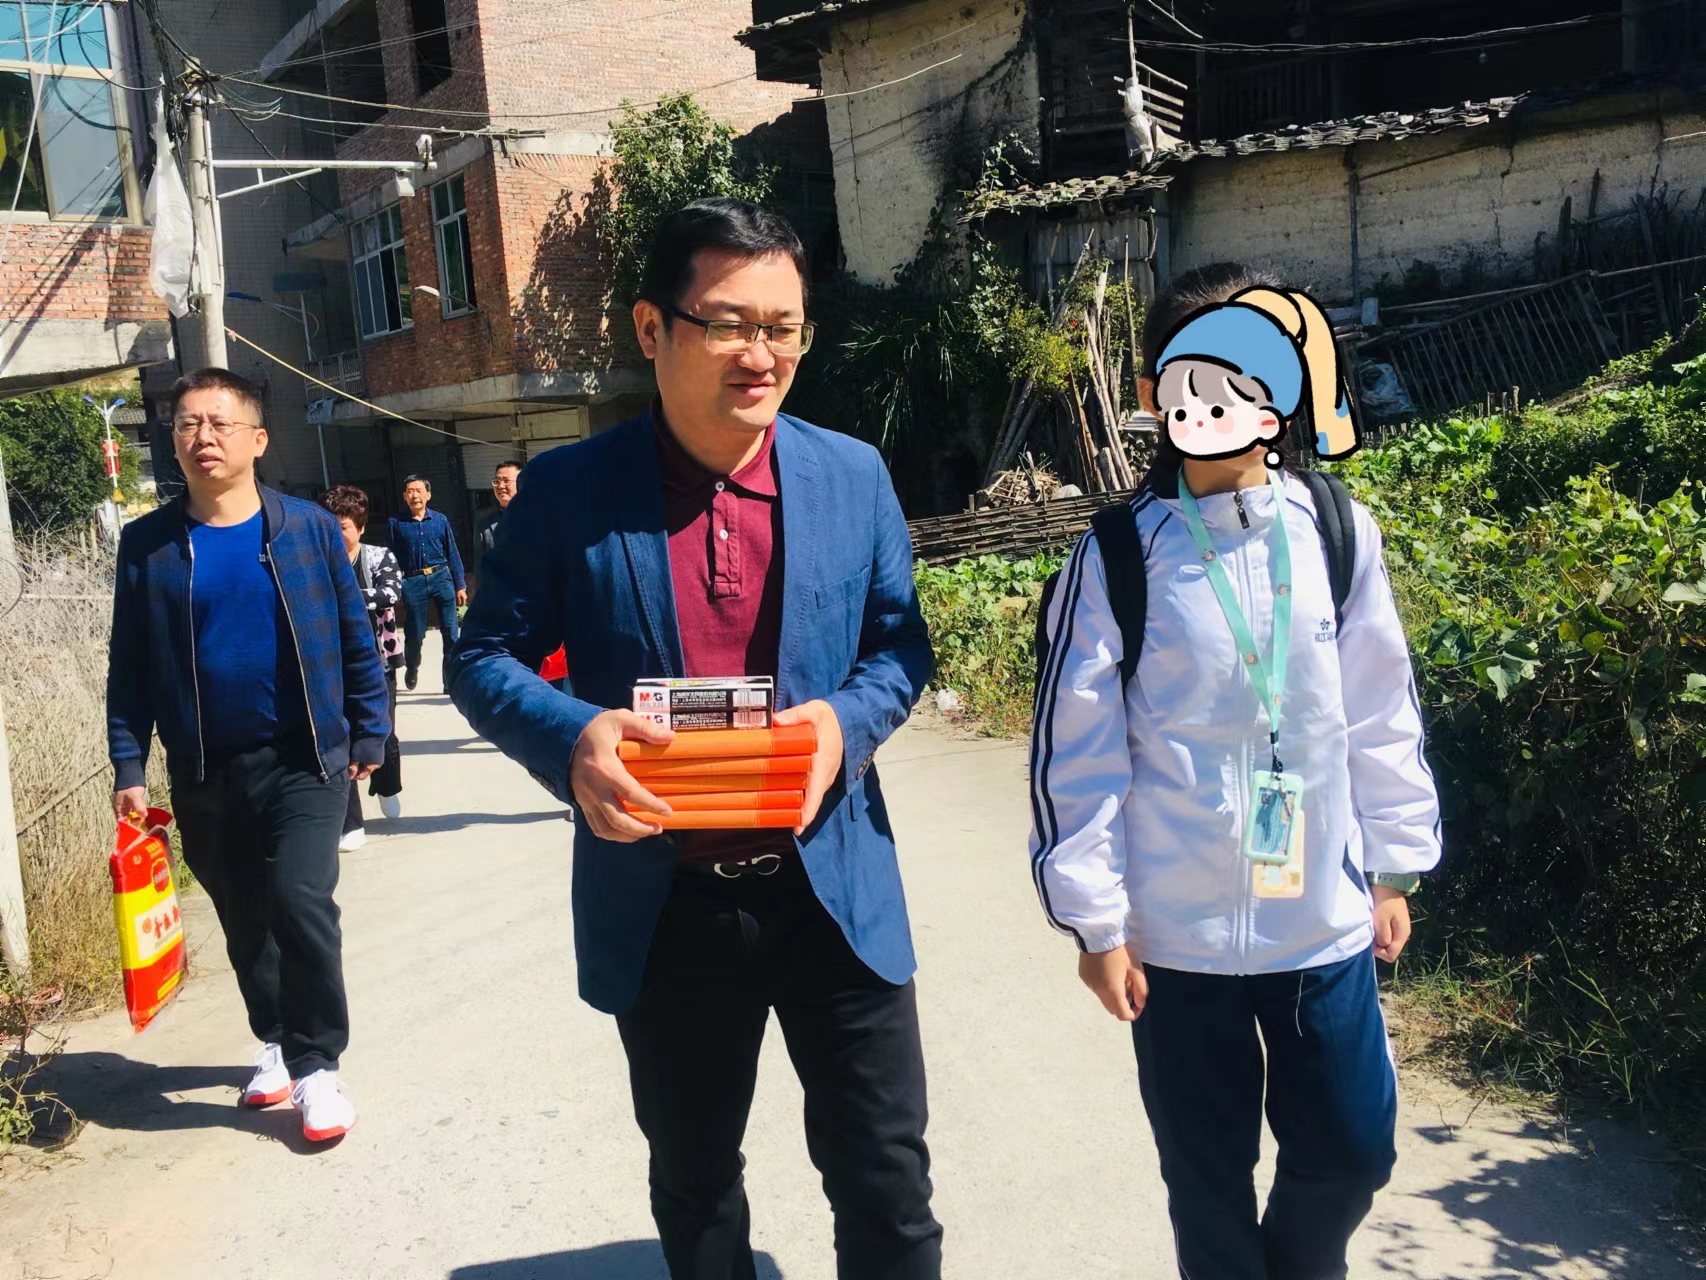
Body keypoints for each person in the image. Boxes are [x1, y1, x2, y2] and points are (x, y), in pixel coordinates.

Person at [449, 198, 941, 1280]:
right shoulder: (569, 492)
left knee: (887, 1182)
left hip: (833, 887)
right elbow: (482, 657)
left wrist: (845, 723)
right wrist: (573, 735)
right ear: (651, 328)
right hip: (665, 899)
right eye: (727, 323)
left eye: (783, 327)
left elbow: (899, 646)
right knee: (695, 1178)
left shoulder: (851, 475)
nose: (760, 353)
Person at [1029, 263, 1442, 1280]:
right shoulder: (1116, 559)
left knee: (1353, 1150)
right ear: (1152, 395)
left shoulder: (1335, 530)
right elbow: (1077, 752)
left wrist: (1392, 862)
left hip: (1319, 922)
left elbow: (1379, 708)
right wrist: (1097, 922)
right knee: (1206, 1179)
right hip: (1176, 942)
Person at [107, 367, 389, 1144]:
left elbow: (354, 637)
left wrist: (371, 729)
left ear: (258, 439)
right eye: (187, 424)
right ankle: (274, 1041)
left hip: (304, 759)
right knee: (244, 918)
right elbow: (129, 667)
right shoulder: (148, 546)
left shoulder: (307, 530)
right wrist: (129, 765)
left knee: (300, 900)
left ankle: (318, 1066)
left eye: (219, 423)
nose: (202, 437)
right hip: (204, 767)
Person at [321, 484, 405, 850]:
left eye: (341, 526)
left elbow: (390, 593)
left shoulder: (378, 556)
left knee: (383, 732)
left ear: (360, 526)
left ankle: (387, 785)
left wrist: (339, 597)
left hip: (377, 660)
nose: (334, 535)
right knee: (340, 739)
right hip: (329, 663)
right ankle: (350, 823)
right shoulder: (315, 559)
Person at [387, 474, 465, 691]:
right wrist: (394, 585)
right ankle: (412, 667)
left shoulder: (440, 520)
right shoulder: (395, 523)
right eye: (410, 491)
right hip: (412, 581)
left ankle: (449, 680)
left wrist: (460, 584)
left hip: (441, 577)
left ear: (428, 495)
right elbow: (390, 557)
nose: (415, 495)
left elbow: (452, 552)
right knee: (415, 633)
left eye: (419, 491)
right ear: (404, 496)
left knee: (451, 632)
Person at [477, 459, 520, 556]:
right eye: (497, 481)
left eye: (506, 481)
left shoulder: (540, 519)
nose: (500, 486)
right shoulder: (485, 525)